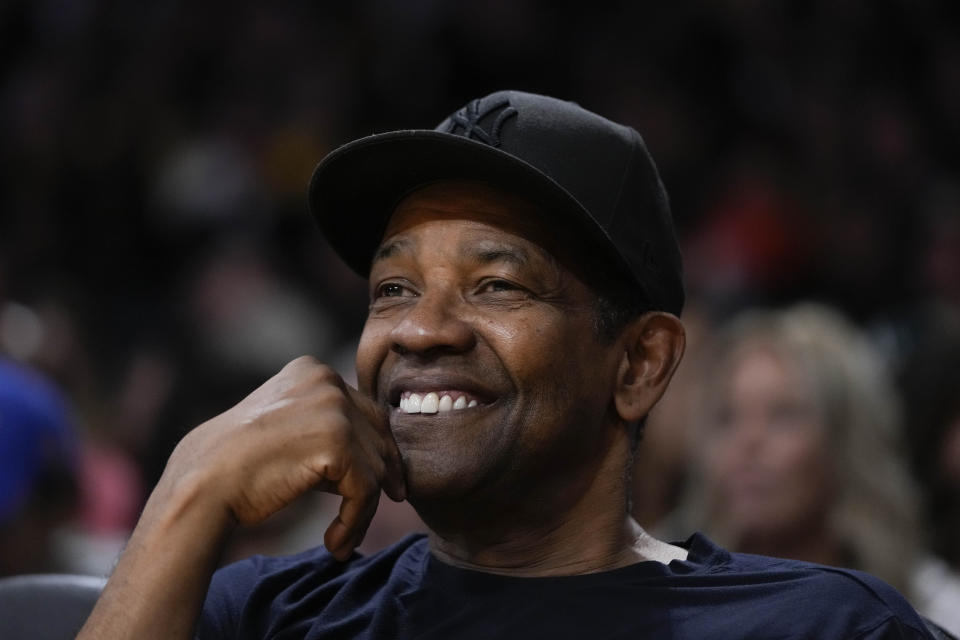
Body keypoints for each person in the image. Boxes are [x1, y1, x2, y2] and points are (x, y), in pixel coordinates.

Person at [78, 91, 937, 639]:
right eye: (392, 288)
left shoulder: (816, 628)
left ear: (640, 363)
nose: (420, 331)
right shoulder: (270, 615)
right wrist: (190, 488)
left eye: (495, 286)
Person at [680, 303, 960, 636]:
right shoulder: (668, 601)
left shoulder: (934, 607)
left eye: (783, 415)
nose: (747, 441)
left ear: (844, 439)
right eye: (728, 416)